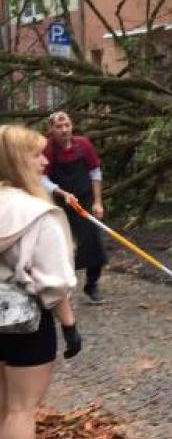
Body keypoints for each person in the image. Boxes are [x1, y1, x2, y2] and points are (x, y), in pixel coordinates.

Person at [0, 125, 82, 439]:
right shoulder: (39, 215)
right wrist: (70, 326)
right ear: (17, 161)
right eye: (35, 154)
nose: (45, 160)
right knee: (20, 409)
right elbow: (54, 283)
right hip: (26, 326)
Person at [41, 113, 106, 304]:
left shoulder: (84, 145)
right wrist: (62, 193)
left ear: (72, 126)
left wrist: (97, 202)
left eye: (67, 125)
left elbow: (95, 172)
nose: (64, 130)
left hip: (84, 200)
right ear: (51, 130)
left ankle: (92, 286)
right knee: (61, 247)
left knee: (95, 243)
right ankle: (59, 289)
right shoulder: (47, 149)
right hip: (58, 203)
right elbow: (41, 179)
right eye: (59, 127)